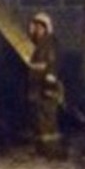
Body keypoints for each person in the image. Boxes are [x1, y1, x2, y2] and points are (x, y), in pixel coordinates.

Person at [27, 12, 63, 158]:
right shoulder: (39, 44)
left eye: (40, 28)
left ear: (46, 28)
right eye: (35, 27)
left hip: (47, 87)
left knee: (49, 120)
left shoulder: (49, 42)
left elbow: (52, 65)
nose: (36, 30)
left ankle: (53, 151)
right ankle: (43, 149)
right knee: (40, 120)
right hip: (38, 86)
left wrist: (50, 80)